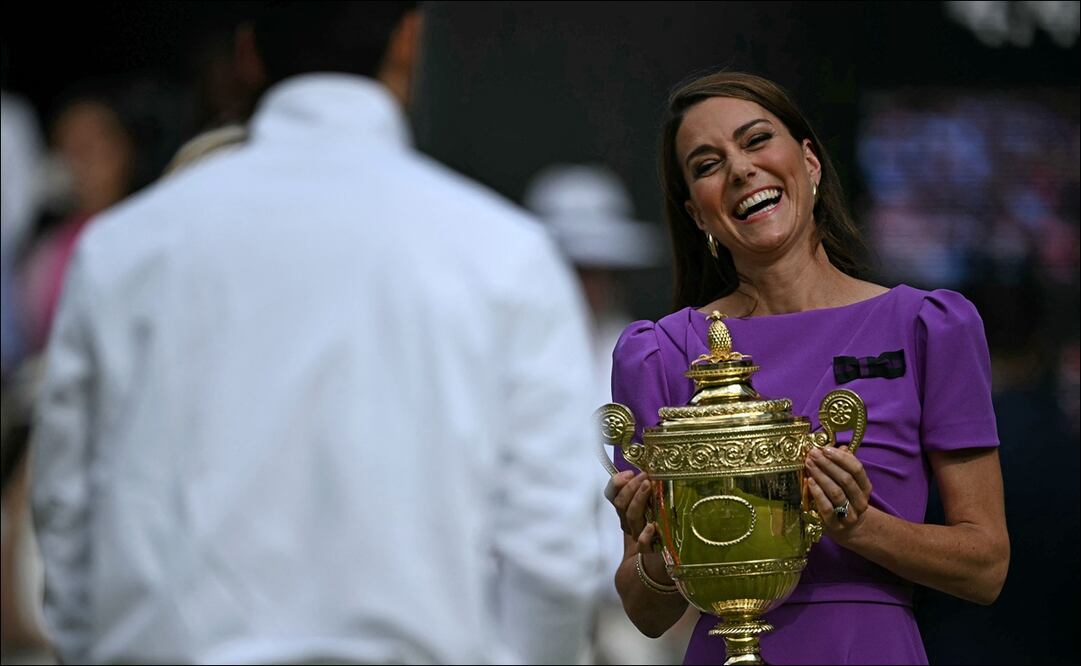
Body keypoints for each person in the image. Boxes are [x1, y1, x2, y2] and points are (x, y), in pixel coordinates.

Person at [30, 3, 600, 664]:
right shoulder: (506, 255)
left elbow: (66, 516)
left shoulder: (122, 250)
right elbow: (552, 551)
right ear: (410, 41)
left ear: (248, 55)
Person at [604, 71, 1009, 665]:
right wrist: (671, 548)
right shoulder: (658, 352)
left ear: (810, 161)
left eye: (757, 139)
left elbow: (986, 566)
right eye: (707, 163)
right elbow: (645, 611)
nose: (741, 169)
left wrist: (859, 527)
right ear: (697, 214)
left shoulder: (928, 326)